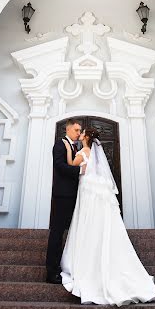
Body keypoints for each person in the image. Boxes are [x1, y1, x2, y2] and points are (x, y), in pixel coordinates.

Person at [60, 127, 155, 306]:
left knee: (86, 222)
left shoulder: (83, 151)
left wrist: (69, 150)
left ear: (87, 137)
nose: (80, 134)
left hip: (88, 193)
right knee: (100, 223)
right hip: (99, 192)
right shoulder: (97, 155)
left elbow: (71, 164)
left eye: (82, 133)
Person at [45, 118, 85, 284]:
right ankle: (51, 271)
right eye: (76, 130)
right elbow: (59, 165)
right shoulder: (60, 145)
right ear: (68, 130)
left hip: (75, 195)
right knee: (57, 232)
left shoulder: (77, 147)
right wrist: (80, 170)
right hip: (62, 196)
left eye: (79, 130)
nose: (78, 133)